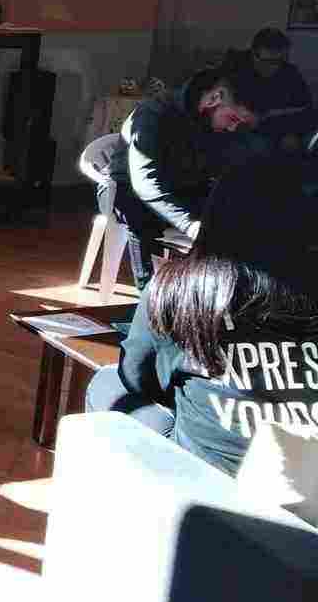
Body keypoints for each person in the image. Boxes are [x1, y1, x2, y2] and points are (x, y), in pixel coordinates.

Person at [85, 160, 318, 476]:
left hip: (212, 484)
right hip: (308, 486)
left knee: (106, 384)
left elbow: (138, 377)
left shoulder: (180, 289)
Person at [105, 67, 264, 289]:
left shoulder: (213, 123)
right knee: (135, 209)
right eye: (233, 118)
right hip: (129, 189)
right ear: (214, 98)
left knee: (239, 210)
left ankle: (220, 289)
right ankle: (150, 292)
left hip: (182, 186)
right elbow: (145, 184)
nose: (232, 128)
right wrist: (190, 225)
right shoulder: (153, 112)